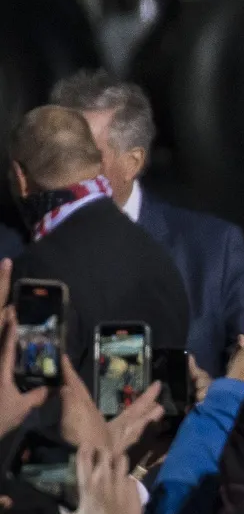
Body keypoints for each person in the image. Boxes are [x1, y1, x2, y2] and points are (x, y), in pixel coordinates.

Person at [49, 71, 244, 377]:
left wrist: (210, 394)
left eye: (83, 157)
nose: (63, 171)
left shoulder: (215, 250)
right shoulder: (13, 249)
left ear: (132, 162)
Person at [7, 106, 189, 370]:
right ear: (98, 163)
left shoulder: (38, 272)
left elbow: (35, 389)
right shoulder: (158, 259)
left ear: (21, 178)